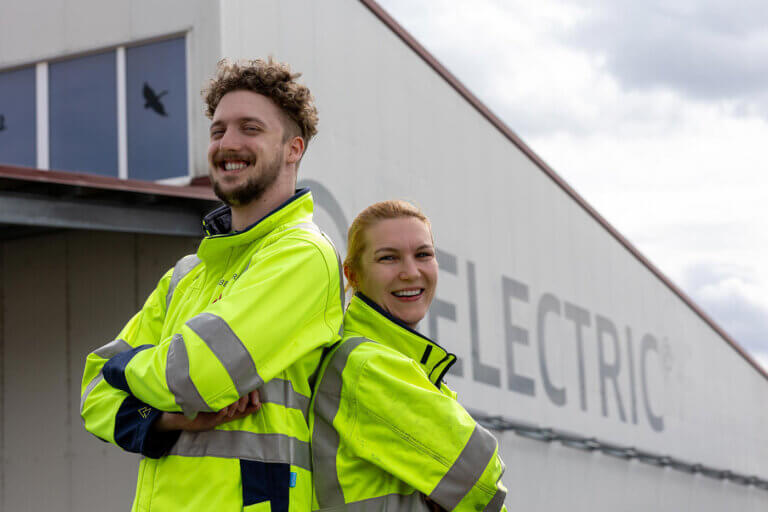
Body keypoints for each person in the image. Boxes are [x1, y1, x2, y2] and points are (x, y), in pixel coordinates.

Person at [80, 58, 344, 512]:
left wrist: (124, 367)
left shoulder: (303, 255)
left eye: (250, 128)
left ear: (293, 149)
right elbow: (93, 395)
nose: (229, 143)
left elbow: (198, 374)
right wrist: (162, 418)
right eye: (218, 131)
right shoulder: (187, 274)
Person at [309, 200, 507, 512]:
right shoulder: (365, 364)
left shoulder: (403, 362)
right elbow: (482, 477)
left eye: (423, 255)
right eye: (388, 258)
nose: (411, 272)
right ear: (353, 274)